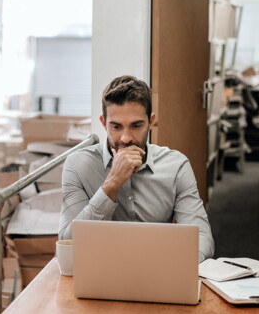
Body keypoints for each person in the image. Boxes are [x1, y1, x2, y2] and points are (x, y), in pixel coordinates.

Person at [59, 75, 214, 262]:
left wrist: (175, 266)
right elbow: (69, 244)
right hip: (100, 268)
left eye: (136, 125)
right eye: (116, 126)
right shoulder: (78, 164)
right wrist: (111, 184)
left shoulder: (177, 166)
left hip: (159, 268)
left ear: (151, 122)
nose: (125, 138)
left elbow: (202, 239)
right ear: (103, 123)